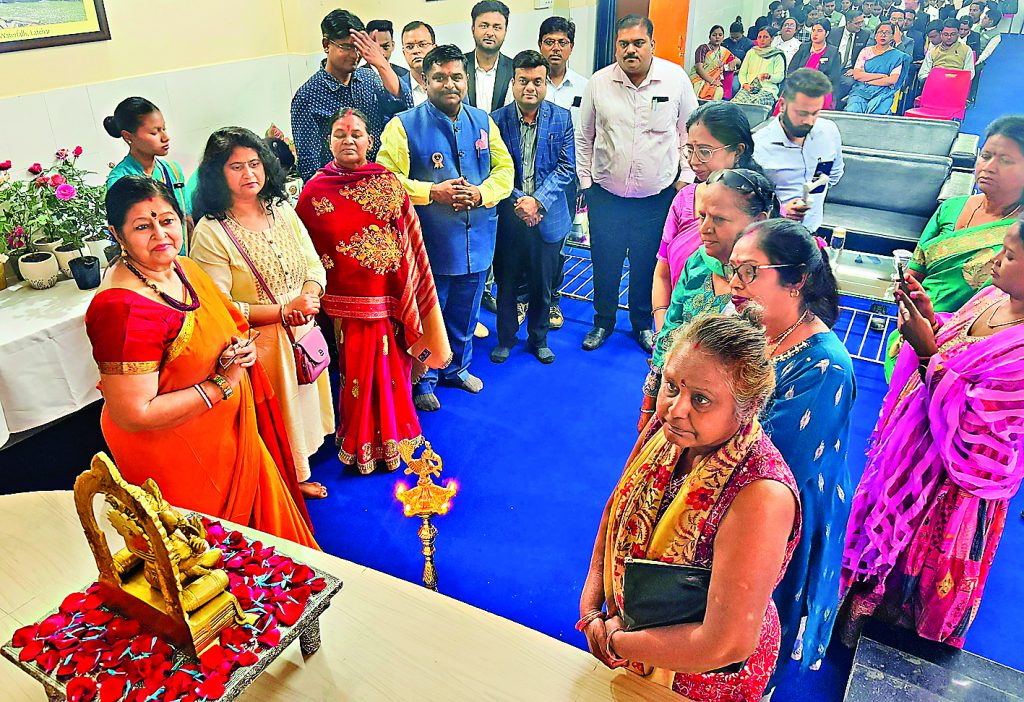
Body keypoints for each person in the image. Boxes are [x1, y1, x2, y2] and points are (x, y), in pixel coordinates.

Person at [84, 176, 317, 549]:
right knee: (212, 556)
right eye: (142, 227)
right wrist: (221, 385)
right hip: (177, 457)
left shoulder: (185, 268)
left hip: (229, 435)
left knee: (264, 549)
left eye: (167, 221)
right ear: (117, 234)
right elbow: (133, 413)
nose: (160, 234)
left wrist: (242, 351)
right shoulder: (121, 308)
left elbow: (231, 326)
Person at [581, 309, 800, 701]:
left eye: (701, 399)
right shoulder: (669, 429)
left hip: (698, 679)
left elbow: (725, 644)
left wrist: (616, 641)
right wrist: (591, 609)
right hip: (626, 640)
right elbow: (616, 510)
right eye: (671, 386)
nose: (676, 408)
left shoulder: (761, 493)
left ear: (748, 407)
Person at [840, 215, 1024, 649]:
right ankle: (849, 631)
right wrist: (930, 322)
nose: (995, 261)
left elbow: (979, 431)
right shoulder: (992, 297)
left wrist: (927, 353)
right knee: (876, 556)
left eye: (1010, 255)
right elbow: (955, 346)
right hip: (910, 459)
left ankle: (892, 658)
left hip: (948, 491)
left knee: (913, 583)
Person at [728, 219, 855, 680]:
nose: (734, 283)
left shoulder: (825, 367)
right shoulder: (752, 324)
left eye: (749, 272)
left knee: (754, 620)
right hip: (737, 484)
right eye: (732, 269)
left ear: (796, 280)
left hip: (781, 508)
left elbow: (775, 465)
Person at [295, 108, 451, 472]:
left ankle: (398, 436)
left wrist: (406, 287)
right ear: (329, 141)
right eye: (340, 134)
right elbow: (303, 247)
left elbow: (410, 239)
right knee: (356, 376)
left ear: (370, 140)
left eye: (356, 134)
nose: (348, 140)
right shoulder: (315, 190)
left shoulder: (388, 182)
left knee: (393, 369)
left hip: (392, 299)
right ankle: (361, 442)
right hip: (346, 308)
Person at [189, 128, 334, 497]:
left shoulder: (281, 209)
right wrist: (283, 311)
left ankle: (302, 463)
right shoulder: (211, 231)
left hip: (301, 328)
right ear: (217, 174)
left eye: (254, 163)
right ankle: (287, 480)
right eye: (236, 167)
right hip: (260, 345)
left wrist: (310, 295)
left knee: (302, 407)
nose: (249, 173)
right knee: (276, 417)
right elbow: (219, 307)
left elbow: (313, 264)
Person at [377, 45, 514, 412]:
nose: (449, 84)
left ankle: (457, 368)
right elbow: (386, 180)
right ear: (425, 81)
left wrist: (483, 193)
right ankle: (425, 379)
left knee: (466, 312)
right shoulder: (403, 126)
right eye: (439, 77)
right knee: (428, 314)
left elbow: (505, 170)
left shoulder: (482, 121)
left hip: (478, 238)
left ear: (466, 79)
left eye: (456, 77)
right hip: (431, 245)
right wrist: (430, 192)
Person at [576, 14, 699, 353]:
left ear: (652, 45)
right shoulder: (599, 83)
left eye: (638, 43)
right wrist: (586, 183)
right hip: (606, 196)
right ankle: (603, 322)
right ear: (616, 47)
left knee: (647, 263)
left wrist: (684, 179)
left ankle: (642, 324)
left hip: (656, 198)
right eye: (624, 44)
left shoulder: (675, 79)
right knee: (605, 262)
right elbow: (584, 136)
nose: (630, 50)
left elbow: (689, 132)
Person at [884, 115, 1024, 378]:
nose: (989, 167)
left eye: (1006, 161)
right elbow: (915, 271)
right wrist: (908, 304)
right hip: (914, 329)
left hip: (974, 353)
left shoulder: (1020, 233)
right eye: (986, 156)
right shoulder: (950, 208)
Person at [642, 170, 777, 421]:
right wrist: (653, 396)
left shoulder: (770, 285)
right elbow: (672, 328)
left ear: (758, 221)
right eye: (702, 216)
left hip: (729, 419)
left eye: (719, 219)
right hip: (676, 402)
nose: (704, 229)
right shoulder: (699, 262)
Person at [490, 51, 576, 365]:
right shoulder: (496, 120)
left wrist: (537, 201)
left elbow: (566, 168)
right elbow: (493, 168)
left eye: (537, 81)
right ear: (513, 82)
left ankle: (538, 340)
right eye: (524, 81)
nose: (530, 87)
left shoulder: (561, 117)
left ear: (545, 84)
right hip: (510, 217)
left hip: (547, 216)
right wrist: (521, 201)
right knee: (507, 282)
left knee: (543, 285)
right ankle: (505, 338)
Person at [654, 102, 762, 324]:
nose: (693, 161)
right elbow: (662, 273)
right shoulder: (685, 198)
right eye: (690, 149)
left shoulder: (757, 208)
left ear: (737, 151)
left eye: (704, 151)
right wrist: (662, 327)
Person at [290, 9, 412, 181]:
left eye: (358, 48)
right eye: (347, 47)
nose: (355, 55)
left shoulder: (369, 78)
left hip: (379, 181)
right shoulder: (307, 97)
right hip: (338, 187)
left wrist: (381, 63)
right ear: (326, 45)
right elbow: (309, 165)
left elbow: (405, 108)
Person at [537, 15, 587, 331]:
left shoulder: (585, 87)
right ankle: (524, 298)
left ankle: (552, 299)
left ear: (571, 47)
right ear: (540, 45)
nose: (555, 48)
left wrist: (585, 179)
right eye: (549, 42)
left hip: (567, 180)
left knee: (557, 245)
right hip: (530, 180)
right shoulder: (526, 81)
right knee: (527, 243)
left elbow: (591, 134)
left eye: (562, 42)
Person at [754, 69, 844, 234]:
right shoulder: (759, 146)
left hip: (812, 232)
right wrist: (781, 211)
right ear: (782, 105)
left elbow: (833, 176)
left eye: (815, 113)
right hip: (771, 235)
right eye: (802, 113)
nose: (809, 121)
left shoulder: (829, 132)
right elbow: (749, 204)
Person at [104, 97, 195, 253]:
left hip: (182, 260)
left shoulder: (172, 170)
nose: (165, 137)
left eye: (164, 129)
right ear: (128, 136)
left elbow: (188, 221)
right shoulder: (120, 181)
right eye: (154, 132)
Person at [845, 22, 910, 113]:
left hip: (883, 92)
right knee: (853, 109)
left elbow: (892, 80)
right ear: (875, 36)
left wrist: (868, 80)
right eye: (880, 32)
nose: (883, 35)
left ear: (892, 37)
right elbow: (857, 75)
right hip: (861, 90)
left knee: (878, 112)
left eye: (887, 32)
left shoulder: (897, 56)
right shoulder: (865, 51)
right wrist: (882, 76)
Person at [465, 0, 515, 112]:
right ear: (473, 29)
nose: (490, 33)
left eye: (497, 27)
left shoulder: (514, 69)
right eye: (484, 26)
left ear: (505, 32)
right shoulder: (459, 66)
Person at [788, 18, 844, 108]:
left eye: (819, 31)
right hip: (799, 86)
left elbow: (834, 78)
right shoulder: (804, 48)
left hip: (821, 89)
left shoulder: (833, 52)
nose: (815, 34)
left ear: (827, 33)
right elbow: (792, 69)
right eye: (813, 30)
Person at [734, 27, 788, 107]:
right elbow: (742, 73)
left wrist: (769, 76)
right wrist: (745, 84)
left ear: (772, 39)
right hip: (749, 88)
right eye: (759, 37)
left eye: (765, 37)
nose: (762, 40)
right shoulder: (751, 52)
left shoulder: (777, 55)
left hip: (768, 90)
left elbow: (780, 77)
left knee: (755, 105)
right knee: (734, 105)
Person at [829, 9, 872, 101]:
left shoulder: (865, 34)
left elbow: (866, 56)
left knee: (848, 82)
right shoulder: (833, 32)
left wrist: (856, 69)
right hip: (832, 66)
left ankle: (837, 103)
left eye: (862, 22)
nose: (860, 25)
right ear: (848, 23)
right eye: (857, 23)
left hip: (848, 69)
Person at [690, 25, 742, 100]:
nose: (717, 37)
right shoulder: (703, 48)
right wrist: (712, 81)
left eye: (720, 35)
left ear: (723, 37)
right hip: (699, 79)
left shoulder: (724, 51)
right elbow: (699, 69)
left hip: (715, 82)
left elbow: (738, 62)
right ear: (709, 37)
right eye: (714, 35)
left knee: (719, 91)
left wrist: (735, 61)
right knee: (698, 91)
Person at [399, 21, 436, 107]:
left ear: (434, 49)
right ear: (404, 53)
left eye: (422, 44)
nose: (416, 51)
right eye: (410, 47)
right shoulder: (398, 89)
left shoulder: (449, 83)